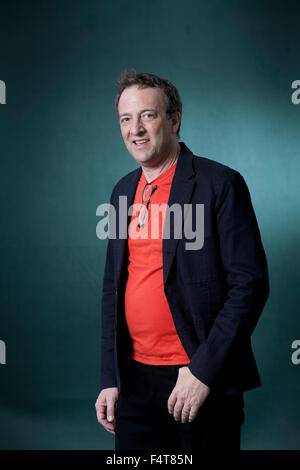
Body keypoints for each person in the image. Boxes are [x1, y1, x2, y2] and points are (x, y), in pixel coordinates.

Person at [95, 70, 269, 451]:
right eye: (126, 119)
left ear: (174, 120)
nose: (135, 129)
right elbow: (113, 287)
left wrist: (202, 372)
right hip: (135, 384)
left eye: (148, 115)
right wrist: (111, 377)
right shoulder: (122, 191)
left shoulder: (220, 184)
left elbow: (250, 285)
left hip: (199, 379)